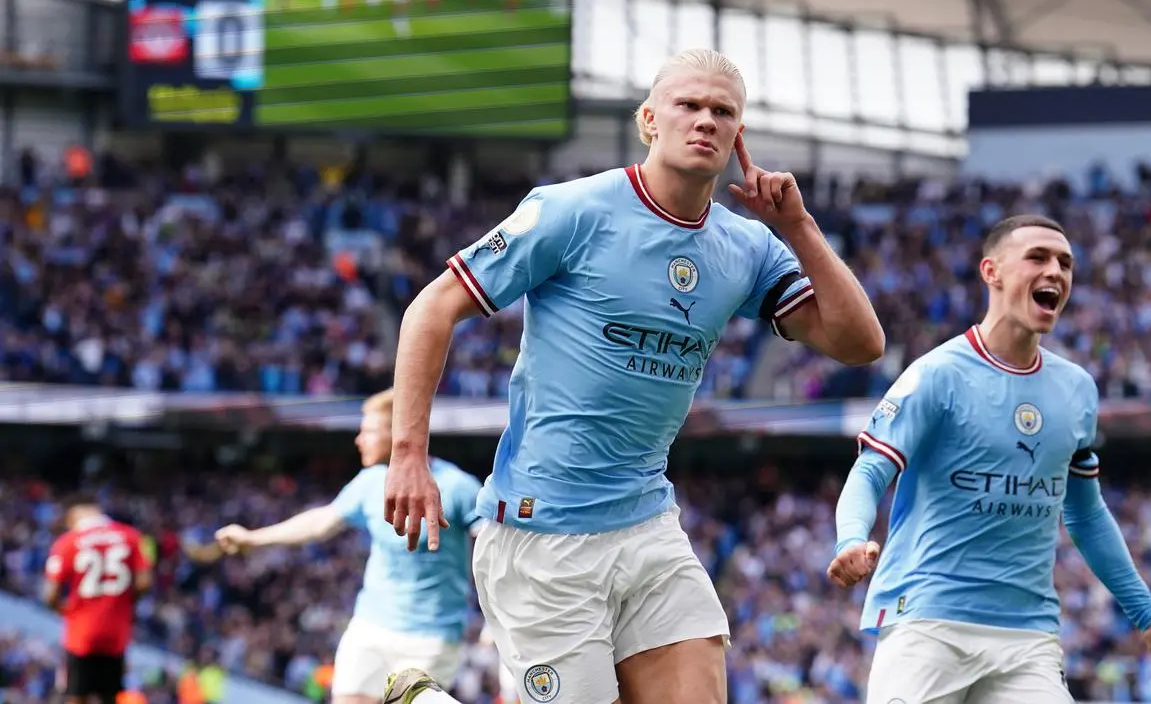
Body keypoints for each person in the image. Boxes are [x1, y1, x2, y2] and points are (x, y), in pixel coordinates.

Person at [383, 47, 885, 704]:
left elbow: (860, 343)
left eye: (723, 112)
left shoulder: (748, 246)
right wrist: (407, 454)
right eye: (689, 105)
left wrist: (798, 225)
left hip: (649, 524)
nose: (705, 120)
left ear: (740, 135)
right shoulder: (572, 210)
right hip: (543, 535)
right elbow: (433, 306)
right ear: (650, 120)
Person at [826, 214, 1151, 704]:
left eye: (1066, 264)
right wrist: (851, 539)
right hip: (928, 623)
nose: (1057, 272)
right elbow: (870, 470)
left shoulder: (1076, 390)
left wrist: (1147, 616)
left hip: (1027, 637)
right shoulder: (937, 375)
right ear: (992, 272)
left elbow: (1086, 513)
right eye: (1038, 258)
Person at [215, 388, 484, 704]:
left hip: (431, 638)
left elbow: (494, 549)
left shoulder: (457, 487)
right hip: (370, 626)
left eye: (368, 430)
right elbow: (321, 522)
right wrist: (253, 537)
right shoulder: (369, 482)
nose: (359, 439)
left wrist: (498, 618)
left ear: (400, 433)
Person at [43, 496, 153, 704]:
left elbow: (50, 595)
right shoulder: (131, 536)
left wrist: (66, 611)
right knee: (110, 695)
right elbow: (145, 582)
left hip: (81, 632)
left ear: (73, 517)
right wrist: (124, 604)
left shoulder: (69, 541)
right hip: (117, 631)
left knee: (77, 694)